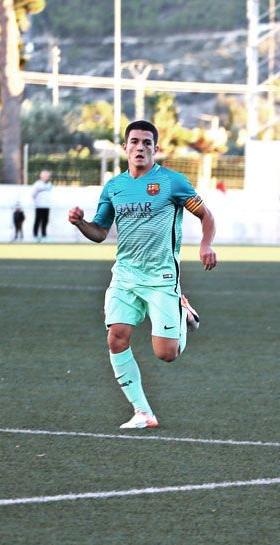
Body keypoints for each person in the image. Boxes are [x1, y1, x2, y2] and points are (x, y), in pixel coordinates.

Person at [67, 120, 217, 429]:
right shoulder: (114, 187)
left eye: (147, 143)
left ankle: (181, 310)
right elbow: (99, 232)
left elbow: (205, 215)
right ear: (125, 147)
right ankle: (143, 412)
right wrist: (80, 223)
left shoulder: (172, 183)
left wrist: (206, 245)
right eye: (134, 142)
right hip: (124, 276)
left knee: (167, 354)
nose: (140, 147)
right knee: (116, 339)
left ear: (155, 148)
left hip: (161, 277)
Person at [32, 169, 53, 242]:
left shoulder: (49, 184)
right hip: (39, 206)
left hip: (46, 206)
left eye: (47, 176)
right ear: (41, 176)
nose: (46, 177)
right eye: (45, 175)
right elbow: (33, 194)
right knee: (37, 221)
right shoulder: (37, 184)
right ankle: (35, 236)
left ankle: (44, 236)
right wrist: (36, 202)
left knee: (45, 221)